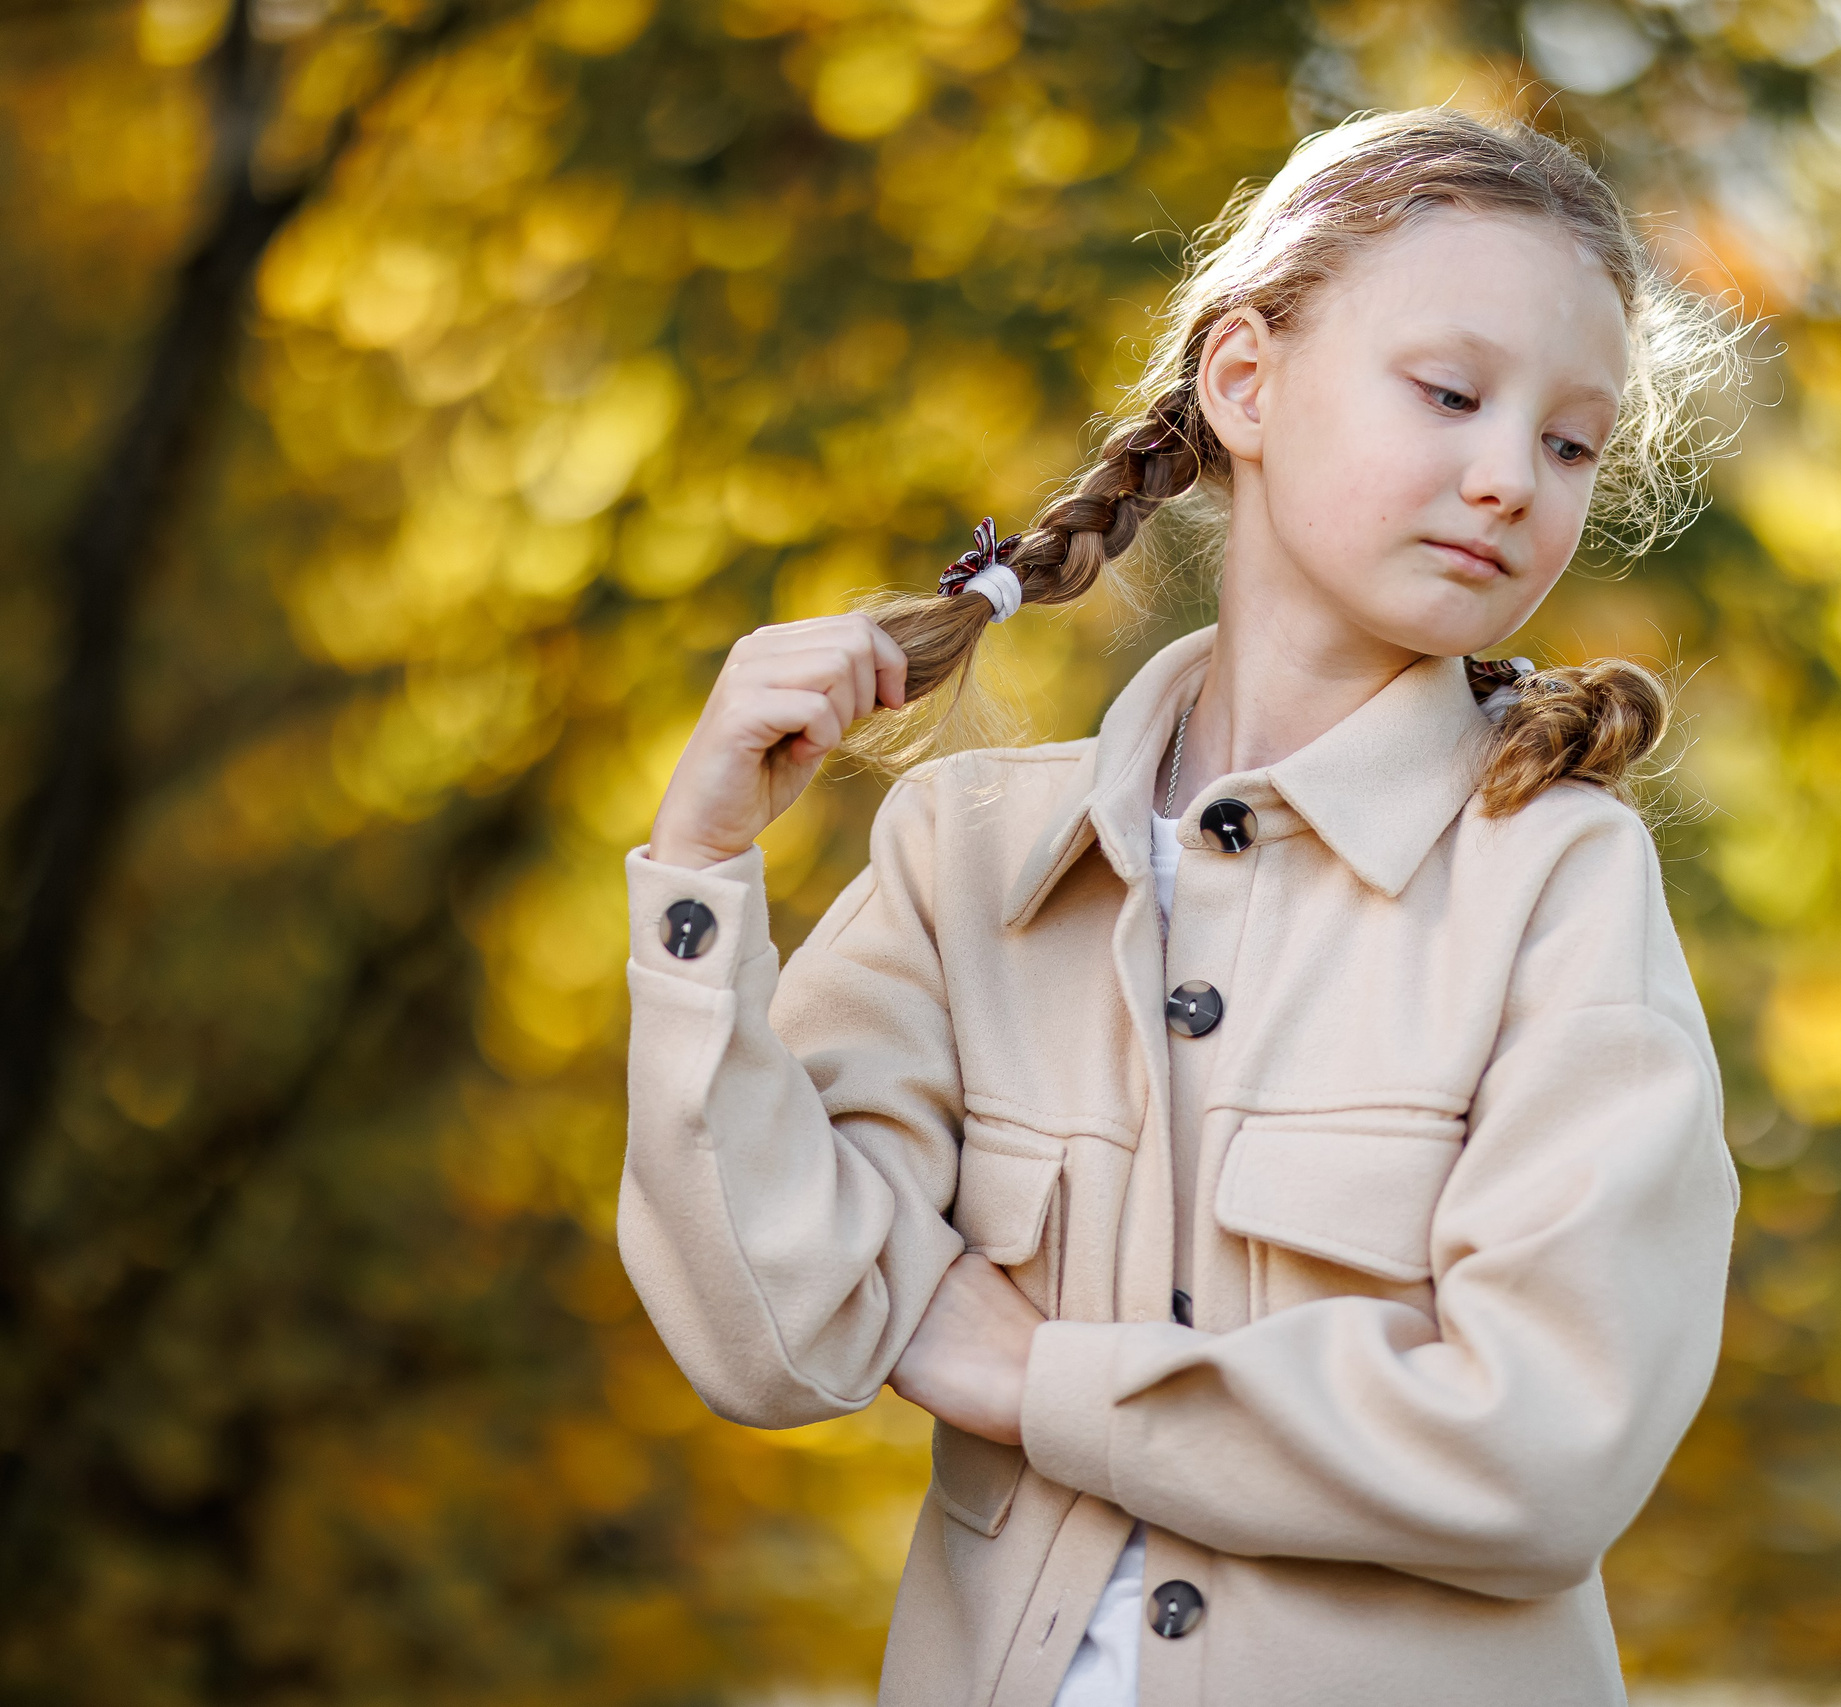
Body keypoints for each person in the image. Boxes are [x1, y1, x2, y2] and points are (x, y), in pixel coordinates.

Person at [619, 108, 1741, 1707]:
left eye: (1570, 443)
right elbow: (774, 1333)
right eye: (1449, 394)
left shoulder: (1557, 880)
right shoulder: (966, 852)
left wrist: (1038, 1376)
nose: (1510, 480)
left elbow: (1549, 1446)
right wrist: (704, 867)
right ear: (1243, 384)